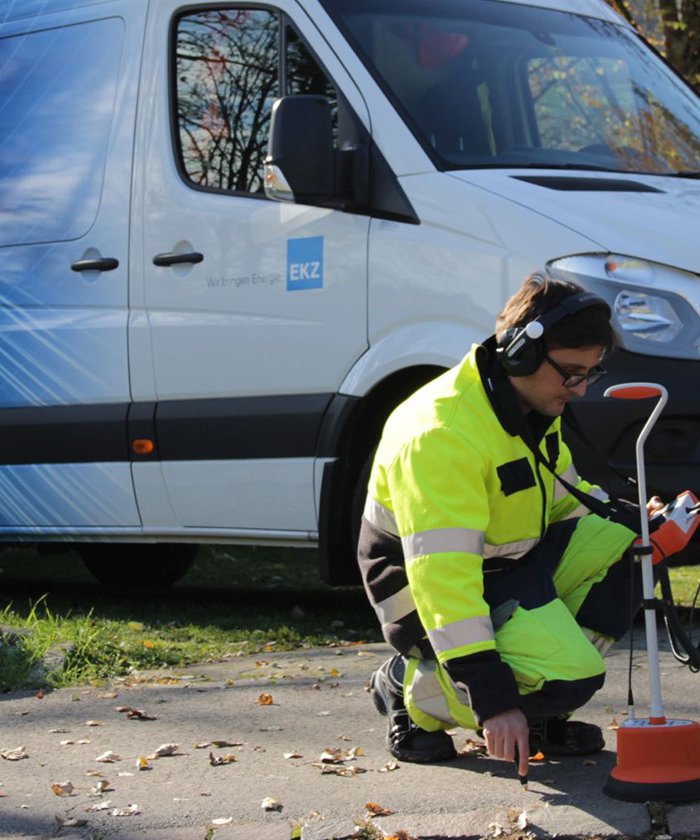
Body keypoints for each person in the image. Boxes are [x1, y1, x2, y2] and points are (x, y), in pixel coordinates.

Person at [357, 272, 662, 777]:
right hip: (425, 598)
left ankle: (541, 710)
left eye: (591, 372)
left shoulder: (529, 407)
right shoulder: (443, 435)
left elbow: (566, 504)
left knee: (638, 545)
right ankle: (413, 693)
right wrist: (494, 700)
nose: (582, 387)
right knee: (573, 676)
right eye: (571, 373)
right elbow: (444, 583)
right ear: (520, 353)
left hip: (504, 572)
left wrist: (642, 522)